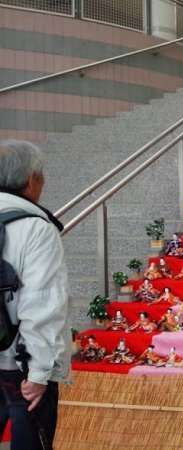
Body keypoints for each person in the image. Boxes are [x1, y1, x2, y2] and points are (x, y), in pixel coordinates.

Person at [0, 140, 69, 449]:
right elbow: (42, 302)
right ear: (31, 180)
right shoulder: (36, 228)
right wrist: (40, 371)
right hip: (21, 367)